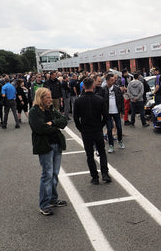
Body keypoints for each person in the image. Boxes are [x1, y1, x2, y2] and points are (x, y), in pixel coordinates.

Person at [29, 87, 68, 216]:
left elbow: (63, 121)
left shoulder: (51, 109)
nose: (51, 99)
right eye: (48, 97)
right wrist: (54, 127)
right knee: (47, 174)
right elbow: (40, 128)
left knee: (55, 174)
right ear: (41, 98)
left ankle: (53, 198)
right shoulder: (34, 112)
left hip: (56, 144)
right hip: (45, 146)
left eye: (51, 97)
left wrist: (52, 123)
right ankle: (44, 204)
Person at [73, 77, 111, 184]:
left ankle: (94, 177)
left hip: (86, 130)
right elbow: (106, 116)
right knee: (102, 152)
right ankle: (105, 173)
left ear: (83, 87)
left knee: (89, 154)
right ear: (93, 86)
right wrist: (101, 125)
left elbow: (76, 118)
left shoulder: (78, 101)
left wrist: (81, 128)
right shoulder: (99, 99)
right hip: (97, 129)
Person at [102, 73, 125, 153]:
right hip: (107, 112)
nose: (113, 81)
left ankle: (120, 140)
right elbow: (101, 102)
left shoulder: (117, 89)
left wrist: (122, 111)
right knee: (109, 129)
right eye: (111, 80)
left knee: (119, 127)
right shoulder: (103, 89)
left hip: (116, 111)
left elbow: (121, 100)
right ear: (107, 80)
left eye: (113, 80)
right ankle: (111, 145)